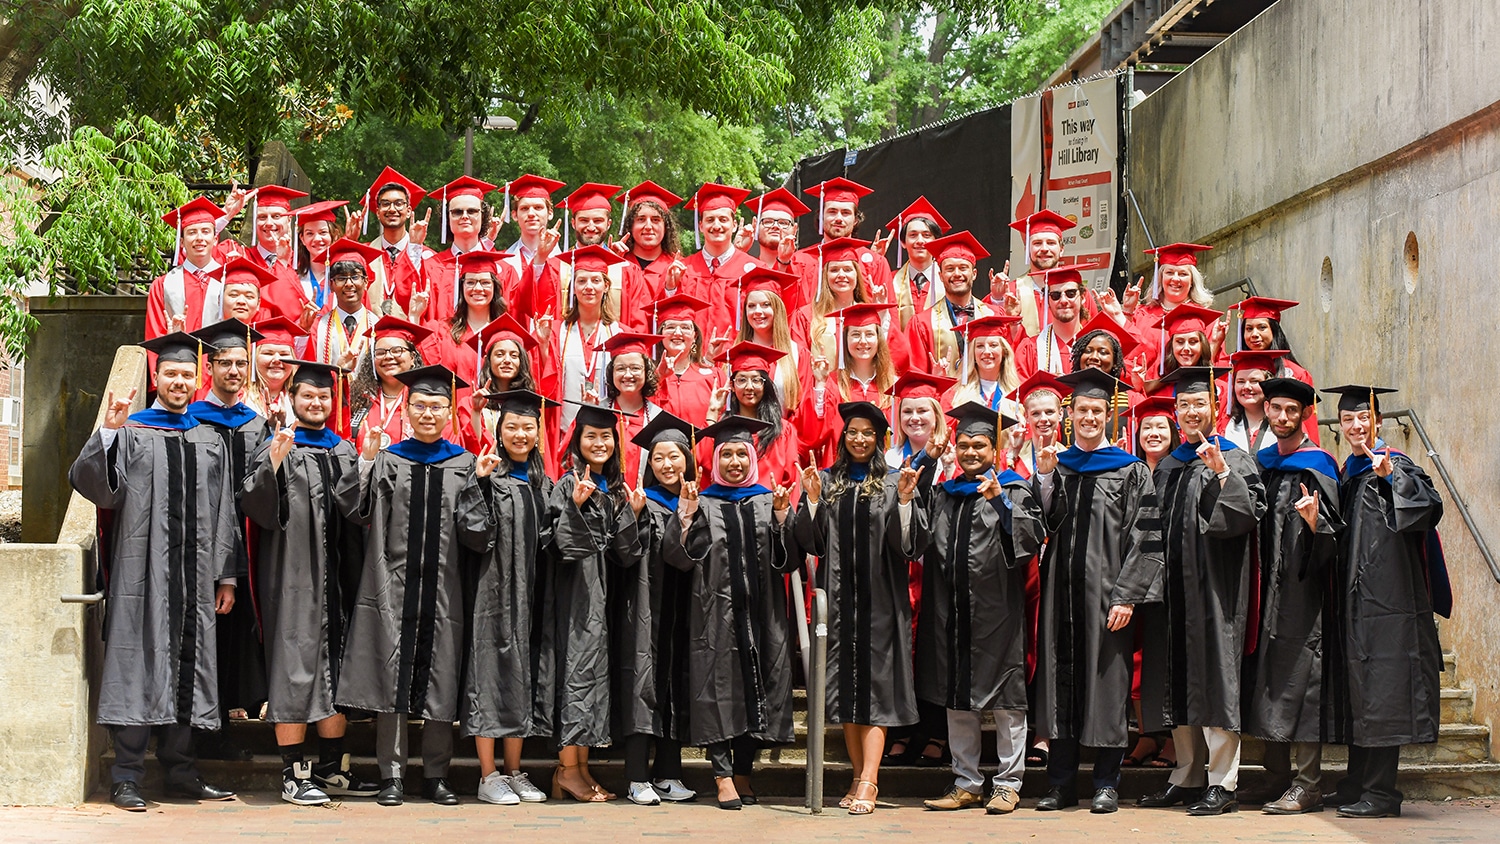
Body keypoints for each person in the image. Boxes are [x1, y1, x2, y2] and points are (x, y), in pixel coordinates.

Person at [68, 332, 239, 811]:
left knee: (188, 663)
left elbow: (224, 509)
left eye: (186, 374)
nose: (179, 381)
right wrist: (107, 431)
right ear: (156, 378)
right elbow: (96, 488)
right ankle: (126, 776)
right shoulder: (132, 431)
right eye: (171, 374)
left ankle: (181, 772)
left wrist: (226, 575)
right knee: (135, 663)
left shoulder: (209, 439)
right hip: (142, 572)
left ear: (196, 379)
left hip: (195, 576)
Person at [240, 359, 379, 805]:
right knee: (294, 670)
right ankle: (292, 775)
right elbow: (255, 505)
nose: (316, 402)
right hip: (294, 579)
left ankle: (332, 770)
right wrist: (274, 462)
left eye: (323, 396)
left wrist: (368, 460)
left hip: (339, 581)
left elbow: (357, 511)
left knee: (336, 672)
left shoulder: (342, 450)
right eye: (308, 396)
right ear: (292, 399)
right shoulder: (277, 444)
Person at [338, 363, 476, 807]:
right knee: (390, 674)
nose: (428, 413)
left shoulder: (465, 464)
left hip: (444, 590)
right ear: (407, 410)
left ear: (450, 412)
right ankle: (391, 776)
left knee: (440, 677)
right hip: (393, 586)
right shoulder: (389, 459)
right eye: (420, 405)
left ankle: (436, 775)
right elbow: (355, 509)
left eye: (437, 406)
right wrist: (365, 459)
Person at [1031, 368, 1164, 814]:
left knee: (1109, 686)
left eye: (1097, 411)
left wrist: (1127, 595)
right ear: (1070, 415)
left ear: (1109, 415)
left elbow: (1145, 538)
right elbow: (1041, 524)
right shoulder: (1057, 465)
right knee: (1060, 687)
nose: (1089, 417)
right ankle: (1061, 784)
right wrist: (1044, 478)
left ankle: (1107, 782)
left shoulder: (1129, 470)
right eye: (1082, 410)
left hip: (1108, 598)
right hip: (1060, 597)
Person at [1137, 366, 1266, 816]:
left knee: (1215, 682)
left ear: (1215, 406)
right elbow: (1149, 530)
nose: (1192, 412)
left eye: (1199, 403)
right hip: (1172, 595)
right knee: (1175, 683)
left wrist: (1222, 474)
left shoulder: (1235, 458)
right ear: (1176, 411)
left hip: (1215, 592)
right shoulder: (1170, 465)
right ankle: (1187, 775)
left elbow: (1248, 515)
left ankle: (1222, 782)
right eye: (1184, 405)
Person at [793, 402, 926, 815]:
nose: (859, 439)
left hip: (880, 604)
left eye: (868, 432)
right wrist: (811, 501)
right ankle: (857, 777)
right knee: (847, 694)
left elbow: (909, 545)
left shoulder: (894, 481)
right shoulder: (826, 482)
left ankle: (870, 779)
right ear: (843, 436)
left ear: (879, 439)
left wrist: (905, 502)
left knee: (875, 694)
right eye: (852, 431)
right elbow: (811, 542)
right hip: (838, 605)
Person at [1321, 384, 1447, 819]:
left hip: (1391, 606)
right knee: (1361, 696)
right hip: (1356, 604)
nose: (1356, 426)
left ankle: (1381, 794)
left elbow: (1429, 508)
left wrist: (1391, 477)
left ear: (1377, 421)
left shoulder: (1395, 463)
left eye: (1364, 418)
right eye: (1348, 419)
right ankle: (1356, 784)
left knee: (1383, 695)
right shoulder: (1348, 472)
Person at [917, 401, 1045, 815]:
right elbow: (914, 525)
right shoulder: (945, 494)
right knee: (958, 700)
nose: (971, 452)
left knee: (1007, 701)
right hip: (950, 611)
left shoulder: (1014, 489)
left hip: (998, 612)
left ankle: (1008, 784)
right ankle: (967, 782)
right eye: (965, 445)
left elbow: (1029, 541)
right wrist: (926, 461)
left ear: (995, 449)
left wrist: (1000, 503)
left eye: (979, 445)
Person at [665, 415, 798, 810]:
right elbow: (678, 558)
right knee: (718, 691)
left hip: (762, 615)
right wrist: (685, 515)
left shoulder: (767, 501)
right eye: (727, 454)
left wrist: (781, 518)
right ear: (716, 459)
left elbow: (788, 561)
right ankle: (722, 775)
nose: (735, 462)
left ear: (752, 459)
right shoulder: (702, 503)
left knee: (757, 689)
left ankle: (743, 773)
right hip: (715, 616)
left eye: (742, 454)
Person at [1239, 377, 1343, 814]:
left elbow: (1339, 539)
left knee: (1304, 680)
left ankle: (1309, 783)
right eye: (1276, 408)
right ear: (1266, 410)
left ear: (1305, 415)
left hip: (1303, 592)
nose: (1283, 417)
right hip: (1265, 589)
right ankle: (1276, 776)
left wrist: (1317, 523)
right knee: (1267, 677)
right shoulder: (1261, 464)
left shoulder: (1318, 466)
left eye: (1292, 410)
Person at [455, 389, 560, 807]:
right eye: (511, 427)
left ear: (538, 433)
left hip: (533, 594)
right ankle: (488, 775)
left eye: (527, 427)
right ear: (499, 432)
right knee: (489, 673)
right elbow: (472, 533)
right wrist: (480, 483)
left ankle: (514, 771)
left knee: (522, 675)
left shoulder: (544, 485)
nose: (520, 434)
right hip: (493, 592)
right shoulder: (489, 476)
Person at [548, 401, 645, 802]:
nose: (600, 443)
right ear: (578, 441)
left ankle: (582, 769)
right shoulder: (566, 484)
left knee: (592, 677)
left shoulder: (617, 489)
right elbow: (558, 544)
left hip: (606, 598)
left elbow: (626, 554)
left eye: (606, 436)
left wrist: (632, 513)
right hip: (576, 596)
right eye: (591, 436)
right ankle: (567, 770)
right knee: (576, 673)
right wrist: (573, 505)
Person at [184, 319, 271, 758]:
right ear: (210, 367)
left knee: (238, 635)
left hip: (248, 543)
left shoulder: (257, 425)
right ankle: (205, 731)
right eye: (225, 363)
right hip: (204, 544)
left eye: (240, 363)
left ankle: (226, 723)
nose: (234, 371)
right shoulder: (193, 420)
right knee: (208, 636)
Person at [614, 411, 703, 806]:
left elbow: (690, 557)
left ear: (688, 459)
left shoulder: (697, 502)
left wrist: (687, 513)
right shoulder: (641, 502)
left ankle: (669, 773)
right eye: (658, 458)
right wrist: (633, 515)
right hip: (644, 607)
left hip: (682, 608)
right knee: (642, 682)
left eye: (674, 456)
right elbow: (623, 553)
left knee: (674, 684)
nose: (667, 465)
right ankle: (636, 777)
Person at [881, 373, 957, 769]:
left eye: (922, 410)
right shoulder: (888, 460)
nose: (914, 418)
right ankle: (903, 731)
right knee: (902, 649)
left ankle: (937, 732)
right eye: (907, 411)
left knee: (937, 651)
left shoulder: (954, 458)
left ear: (937, 415)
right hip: (901, 567)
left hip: (940, 567)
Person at [542, 244, 627, 438]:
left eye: (596, 280)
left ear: (606, 286)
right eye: (581, 281)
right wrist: (543, 345)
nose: (589, 287)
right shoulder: (556, 331)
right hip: (564, 433)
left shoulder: (619, 333)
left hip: (606, 434)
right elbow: (546, 381)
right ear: (573, 288)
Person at [304, 239, 386, 437]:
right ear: (331, 284)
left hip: (370, 414)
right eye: (341, 278)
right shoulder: (318, 326)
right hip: (328, 413)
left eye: (355, 277)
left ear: (366, 281)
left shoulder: (379, 327)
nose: (349, 284)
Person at [801, 303, 898, 467]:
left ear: (879, 339)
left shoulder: (893, 387)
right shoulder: (832, 384)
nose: (862, 341)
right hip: (841, 472)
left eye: (869, 334)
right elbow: (813, 435)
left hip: (883, 472)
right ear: (845, 340)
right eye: (855, 334)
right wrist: (820, 385)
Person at [705, 342, 801, 493]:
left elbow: (792, 481)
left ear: (765, 385)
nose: (749, 387)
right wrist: (712, 413)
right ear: (732, 386)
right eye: (741, 380)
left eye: (756, 380)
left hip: (771, 505)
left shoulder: (783, 430)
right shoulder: (723, 427)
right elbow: (704, 464)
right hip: (727, 504)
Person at [1221, 296, 1319, 443]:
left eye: (1262, 327)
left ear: (1274, 330)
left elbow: (1307, 424)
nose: (1254, 334)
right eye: (1249, 329)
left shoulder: (1295, 373)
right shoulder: (1234, 369)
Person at [555, 182, 652, 331]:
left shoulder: (627, 270)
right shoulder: (556, 267)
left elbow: (639, 325)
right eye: (584, 220)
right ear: (573, 223)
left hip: (616, 346)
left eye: (598, 221)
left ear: (608, 224)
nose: (591, 227)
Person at [906, 231, 997, 379]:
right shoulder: (922, 323)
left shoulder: (993, 315)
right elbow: (915, 375)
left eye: (963, 268)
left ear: (974, 274)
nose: (957, 274)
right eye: (949, 269)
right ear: (941, 276)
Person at [798, 177, 894, 310]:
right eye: (832, 212)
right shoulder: (800, 260)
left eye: (846, 213)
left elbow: (889, 313)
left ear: (855, 220)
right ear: (821, 216)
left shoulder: (876, 263)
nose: (839, 218)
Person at [422, 176, 507, 324]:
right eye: (457, 212)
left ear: (483, 216)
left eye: (472, 211)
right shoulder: (431, 267)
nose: (465, 217)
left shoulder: (502, 269)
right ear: (447, 218)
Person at [1123, 242, 1217, 370]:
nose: (1176, 279)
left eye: (1183, 274)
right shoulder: (1141, 315)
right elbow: (1124, 351)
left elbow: (1216, 363)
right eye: (1170, 272)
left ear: (1192, 281)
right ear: (1160, 278)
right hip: (1144, 382)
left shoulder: (1206, 319)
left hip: (1190, 383)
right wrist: (1127, 310)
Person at [356, 166, 434, 318]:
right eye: (385, 204)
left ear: (409, 211)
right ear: (377, 212)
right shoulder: (364, 255)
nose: (392, 209)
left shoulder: (426, 257)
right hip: (371, 331)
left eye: (399, 203)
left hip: (410, 331)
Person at [683, 183, 759, 335]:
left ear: (734, 225)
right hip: (694, 349)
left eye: (723, 219)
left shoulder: (755, 270)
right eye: (710, 220)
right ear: (701, 226)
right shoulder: (684, 269)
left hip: (738, 349)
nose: (716, 226)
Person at [428, 249, 512, 386]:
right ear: (461, 287)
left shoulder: (505, 334)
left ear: (495, 287)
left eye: (485, 282)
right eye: (470, 282)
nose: (478, 288)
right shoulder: (443, 331)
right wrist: (414, 316)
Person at [147, 196, 226, 340]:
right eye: (192, 232)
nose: (199, 238)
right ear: (182, 242)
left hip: (220, 353)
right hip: (177, 353)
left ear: (215, 240)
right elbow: (155, 334)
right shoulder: (162, 285)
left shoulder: (227, 280)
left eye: (205, 231)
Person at [989, 209, 1076, 339]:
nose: (1044, 248)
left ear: (1061, 249)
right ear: (1027, 249)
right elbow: (992, 337)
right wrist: (996, 299)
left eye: (1051, 243)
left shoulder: (1075, 293)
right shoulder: (1011, 292)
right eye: (1037, 243)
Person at [465, 314, 544, 456]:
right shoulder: (470, 404)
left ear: (522, 361)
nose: (507, 360)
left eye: (514, 356)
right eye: (499, 354)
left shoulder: (530, 403)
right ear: (488, 360)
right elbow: (471, 446)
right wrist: (476, 412)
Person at [733, 265, 810, 410]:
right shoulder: (735, 353)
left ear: (777, 309)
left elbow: (802, 408)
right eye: (751, 306)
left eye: (766, 305)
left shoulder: (797, 355)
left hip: (785, 424)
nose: (757, 311)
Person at [351, 316, 431, 453]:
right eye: (380, 353)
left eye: (397, 350)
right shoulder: (360, 399)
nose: (388, 357)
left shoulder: (425, 401)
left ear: (412, 358)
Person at [233, 185, 311, 324]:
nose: (269, 223)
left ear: (289, 220)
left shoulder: (304, 263)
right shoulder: (240, 256)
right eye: (262, 217)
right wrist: (227, 213)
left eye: (276, 216)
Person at [498, 173, 565, 320]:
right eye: (524, 208)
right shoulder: (503, 263)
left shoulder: (566, 265)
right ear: (514, 215)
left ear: (550, 213)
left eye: (538, 207)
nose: (531, 213)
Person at [602, 332, 667, 483]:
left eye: (635, 368)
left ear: (647, 372)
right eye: (620, 368)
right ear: (611, 372)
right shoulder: (597, 411)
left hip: (646, 494)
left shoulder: (657, 417)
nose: (628, 375)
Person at [1014, 263, 1095, 380]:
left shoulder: (1096, 348)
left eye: (1071, 294)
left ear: (1083, 298)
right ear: (1048, 301)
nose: (1063, 300)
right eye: (1055, 295)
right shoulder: (1030, 350)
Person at [652, 292, 722, 427]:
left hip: (704, 440)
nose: (678, 333)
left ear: (695, 336)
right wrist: (658, 379)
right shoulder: (648, 377)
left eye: (685, 327)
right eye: (670, 327)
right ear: (661, 334)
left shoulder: (714, 377)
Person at [740, 187, 815, 310]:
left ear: (795, 229)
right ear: (756, 225)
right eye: (768, 221)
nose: (775, 226)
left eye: (783, 223)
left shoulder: (807, 271)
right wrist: (738, 252)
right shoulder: (744, 270)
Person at [613, 180, 689, 302]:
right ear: (630, 226)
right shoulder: (618, 263)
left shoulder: (679, 268)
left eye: (655, 220)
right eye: (641, 219)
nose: (648, 226)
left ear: (666, 227)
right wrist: (611, 266)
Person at [884, 197, 951, 330]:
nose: (920, 241)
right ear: (903, 242)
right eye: (913, 235)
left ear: (936, 241)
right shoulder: (890, 280)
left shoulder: (949, 280)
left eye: (927, 235)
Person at [1218, 349, 1290, 453]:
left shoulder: (1285, 423)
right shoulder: (1224, 425)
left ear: (1268, 384)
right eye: (1240, 381)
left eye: (1254, 381)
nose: (1246, 387)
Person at [243, 316, 306, 426]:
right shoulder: (240, 396)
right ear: (254, 358)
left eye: (284, 354)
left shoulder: (302, 399)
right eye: (268, 353)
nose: (277, 359)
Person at [290, 200, 348, 315]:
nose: (317, 239)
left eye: (323, 232)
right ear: (302, 238)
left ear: (335, 235)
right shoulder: (294, 278)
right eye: (309, 233)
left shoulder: (347, 276)